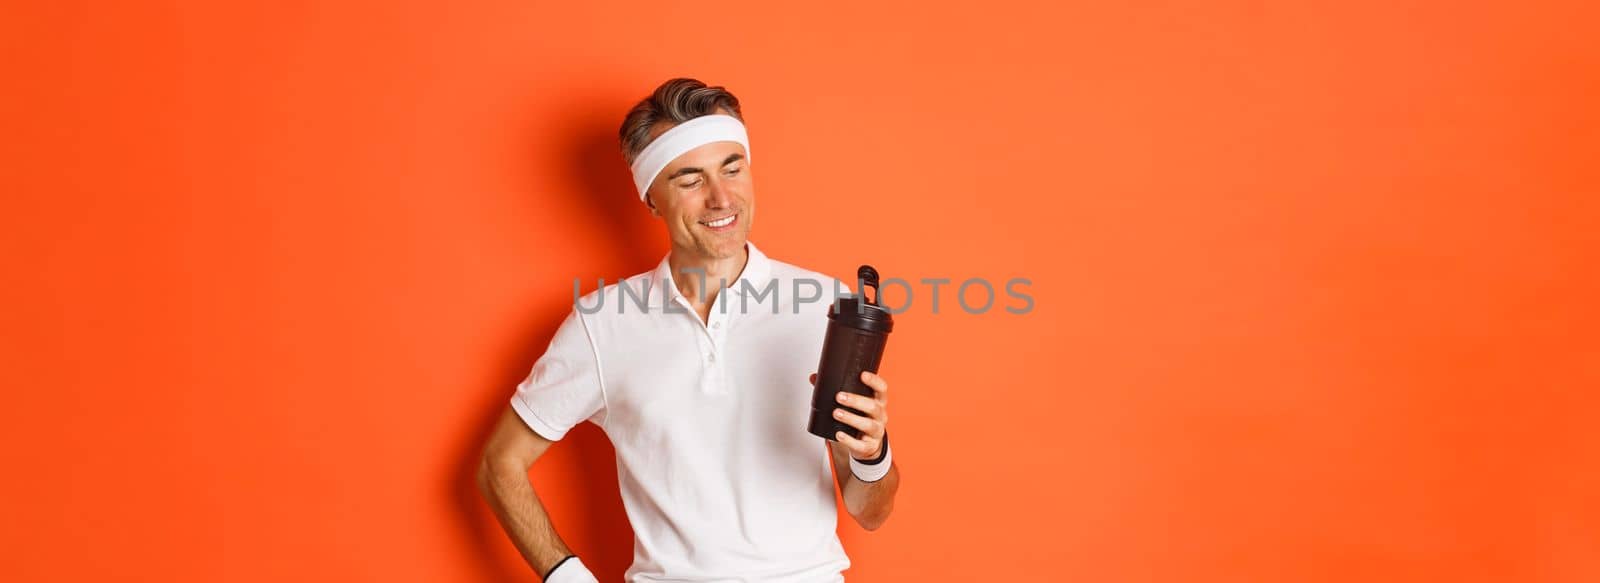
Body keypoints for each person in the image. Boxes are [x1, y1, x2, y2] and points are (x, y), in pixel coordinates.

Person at [476, 78, 902, 582]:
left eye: (732, 168)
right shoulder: (602, 324)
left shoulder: (827, 307)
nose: (721, 198)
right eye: (689, 179)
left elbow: (869, 511)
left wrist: (871, 454)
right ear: (652, 200)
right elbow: (498, 465)